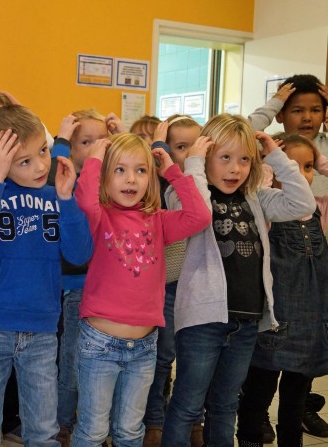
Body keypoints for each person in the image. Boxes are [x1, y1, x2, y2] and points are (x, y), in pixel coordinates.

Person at [161, 114, 316, 446]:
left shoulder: (256, 198)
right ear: (205, 159)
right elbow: (200, 213)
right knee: (188, 406)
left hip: (245, 322)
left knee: (225, 405)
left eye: (245, 159)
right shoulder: (183, 194)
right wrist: (195, 166)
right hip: (203, 322)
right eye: (225, 158)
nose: (235, 168)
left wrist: (275, 155)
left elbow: (303, 203)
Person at [0, 104, 93, 446]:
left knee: (43, 431)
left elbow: (79, 255)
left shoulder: (55, 195)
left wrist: (66, 200)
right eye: (25, 161)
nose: (41, 166)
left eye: (43, 152)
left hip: (42, 330)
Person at [71, 132, 211, 446]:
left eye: (140, 170)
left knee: (130, 431)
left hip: (145, 348)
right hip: (99, 346)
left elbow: (199, 216)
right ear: (105, 177)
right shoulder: (100, 217)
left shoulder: (158, 220)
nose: (130, 179)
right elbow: (84, 200)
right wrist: (93, 159)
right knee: (93, 431)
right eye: (119, 170)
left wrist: (173, 171)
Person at [248, 75, 328, 437]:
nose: (307, 116)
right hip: (276, 290)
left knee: (302, 367)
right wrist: (274, 144)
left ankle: (300, 410)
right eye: (296, 109)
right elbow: (238, 132)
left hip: (322, 268)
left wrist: (320, 160)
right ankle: (256, 420)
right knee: (263, 371)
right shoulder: (266, 189)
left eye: (316, 109)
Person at [45, 109, 109, 447]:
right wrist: (60, 142)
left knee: (89, 360)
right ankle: (61, 424)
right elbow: (50, 175)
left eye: (102, 141)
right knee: (68, 360)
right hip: (69, 285)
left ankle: (83, 422)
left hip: (99, 287)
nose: (96, 148)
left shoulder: (111, 180)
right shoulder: (62, 177)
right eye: (86, 142)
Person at [142, 115, 204, 447]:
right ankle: (154, 421)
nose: (187, 155)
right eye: (179, 147)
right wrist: (160, 150)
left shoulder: (204, 186)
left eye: (195, 148)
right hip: (166, 287)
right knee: (162, 357)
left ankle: (194, 420)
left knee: (195, 359)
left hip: (196, 288)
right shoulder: (162, 187)